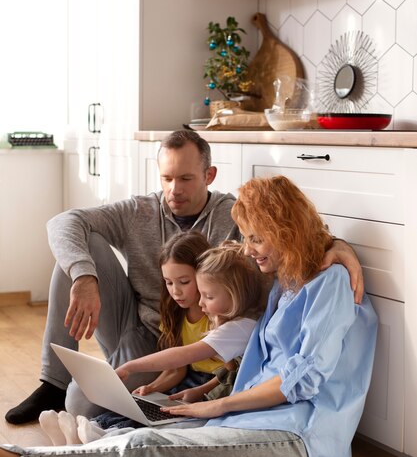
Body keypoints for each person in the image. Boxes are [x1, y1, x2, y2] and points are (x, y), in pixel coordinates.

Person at [0, 175, 377, 457]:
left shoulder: (331, 284)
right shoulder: (283, 279)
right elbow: (249, 262)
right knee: (138, 434)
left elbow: (303, 383)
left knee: (145, 455)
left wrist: (217, 404)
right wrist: (211, 406)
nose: (247, 249)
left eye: (256, 238)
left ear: (286, 231)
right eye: (247, 238)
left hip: (296, 439)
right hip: (247, 420)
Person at [6, 130, 364, 425]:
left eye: (186, 179)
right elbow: (63, 222)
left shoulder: (232, 215)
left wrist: (339, 245)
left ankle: (112, 406)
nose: (174, 189)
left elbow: (285, 232)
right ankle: (52, 381)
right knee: (74, 255)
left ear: (209, 176)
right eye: (166, 178)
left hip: (193, 344)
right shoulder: (138, 211)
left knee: (82, 405)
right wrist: (84, 276)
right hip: (142, 333)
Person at [38, 238, 266, 445]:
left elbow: (188, 357)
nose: (176, 291)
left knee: (166, 423)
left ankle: (100, 437)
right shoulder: (199, 316)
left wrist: (131, 365)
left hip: (221, 397)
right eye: (168, 282)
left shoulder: (237, 327)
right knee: (143, 408)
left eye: (207, 295)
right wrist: (156, 387)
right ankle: (89, 430)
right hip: (199, 385)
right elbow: (208, 371)